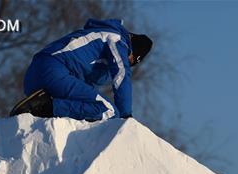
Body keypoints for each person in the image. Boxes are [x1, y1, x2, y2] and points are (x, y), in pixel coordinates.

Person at [10, 18, 152, 121]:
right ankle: (44, 107)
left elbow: (87, 84)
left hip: (34, 77)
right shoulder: (116, 39)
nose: (127, 62)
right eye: (130, 60)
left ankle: (41, 105)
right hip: (53, 70)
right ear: (131, 48)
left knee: (87, 106)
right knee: (109, 110)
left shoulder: (96, 40)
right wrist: (126, 115)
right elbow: (121, 74)